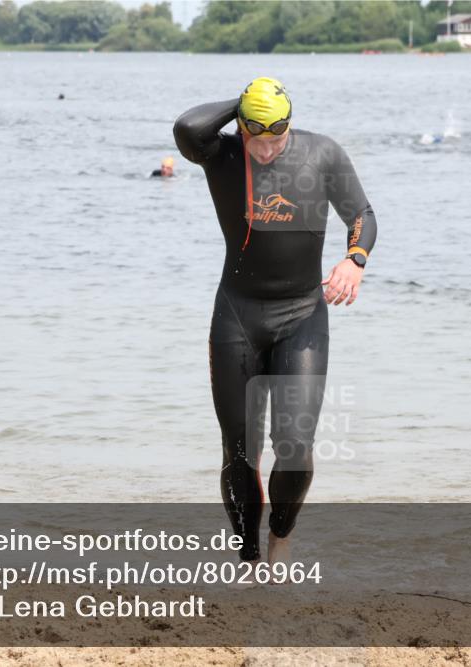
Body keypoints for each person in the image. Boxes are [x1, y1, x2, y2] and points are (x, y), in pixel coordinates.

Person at [173, 77, 377, 567]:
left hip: (302, 316)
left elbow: (362, 213)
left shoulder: (321, 154)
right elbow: (186, 127)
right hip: (237, 317)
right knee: (239, 451)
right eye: (257, 140)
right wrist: (241, 104)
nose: (266, 151)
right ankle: (248, 559)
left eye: (276, 140)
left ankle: (280, 538)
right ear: (241, 128)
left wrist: (354, 260)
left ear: (290, 127)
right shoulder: (220, 155)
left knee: (295, 447)